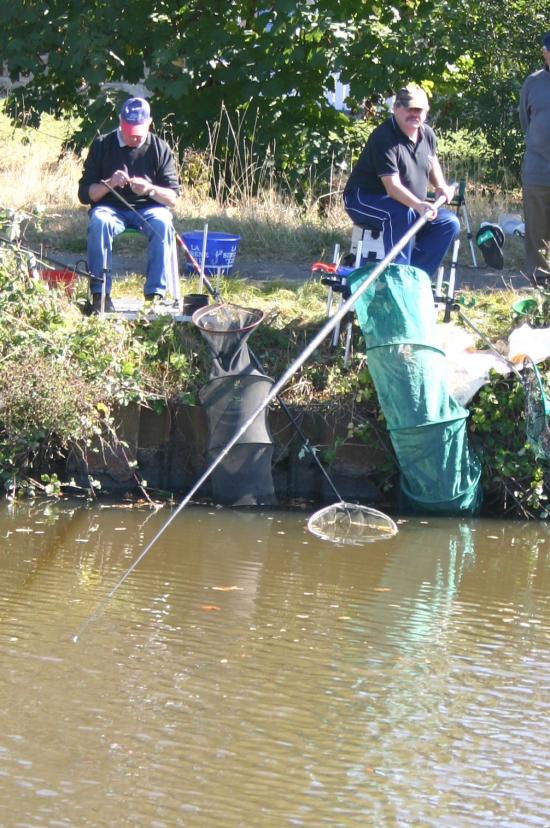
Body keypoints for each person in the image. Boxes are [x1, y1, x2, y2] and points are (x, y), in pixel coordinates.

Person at [343, 84, 459, 278]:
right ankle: (397, 279)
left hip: (407, 203)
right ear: (396, 108)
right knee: (401, 214)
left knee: (448, 222)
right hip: (363, 199)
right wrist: (419, 205)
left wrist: (440, 186)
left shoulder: (427, 134)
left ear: (426, 111)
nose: (415, 114)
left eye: (419, 110)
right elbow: (392, 187)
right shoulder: (384, 137)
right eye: (409, 109)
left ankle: (415, 278)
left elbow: (431, 161)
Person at [78, 97, 180, 312]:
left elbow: (173, 199)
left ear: (150, 123)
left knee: (163, 222)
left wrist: (150, 189)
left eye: (138, 132)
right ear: (120, 122)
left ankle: (155, 296)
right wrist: (109, 184)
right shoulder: (102, 144)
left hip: (149, 209)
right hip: (110, 209)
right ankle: (100, 294)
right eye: (128, 130)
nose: (133, 136)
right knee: (99, 221)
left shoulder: (160, 148)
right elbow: (85, 194)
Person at [519, 32, 550, 287]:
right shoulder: (533, 83)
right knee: (537, 230)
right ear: (544, 52)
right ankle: (540, 280)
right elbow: (525, 121)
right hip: (537, 169)